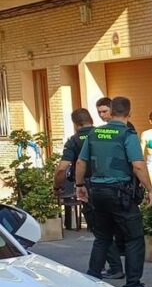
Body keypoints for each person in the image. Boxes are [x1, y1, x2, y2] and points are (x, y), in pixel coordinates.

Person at [74, 96, 152, 287]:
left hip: (97, 192)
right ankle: (133, 285)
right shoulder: (127, 134)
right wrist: (149, 189)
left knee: (102, 237)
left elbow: (80, 163)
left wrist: (79, 186)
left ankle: (93, 278)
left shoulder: (94, 133)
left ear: (110, 111)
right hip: (120, 193)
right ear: (129, 113)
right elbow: (138, 165)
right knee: (134, 238)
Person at [53, 109, 125, 277]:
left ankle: (110, 268)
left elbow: (62, 169)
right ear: (91, 119)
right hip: (112, 185)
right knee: (109, 227)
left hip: (88, 188)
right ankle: (110, 267)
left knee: (100, 230)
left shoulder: (74, 140)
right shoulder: (104, 134)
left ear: (75, 124)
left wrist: (57, 187)